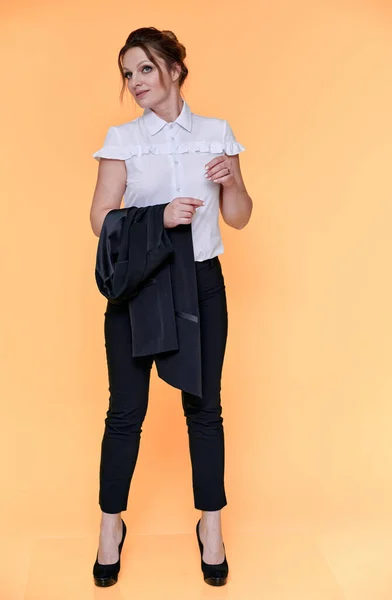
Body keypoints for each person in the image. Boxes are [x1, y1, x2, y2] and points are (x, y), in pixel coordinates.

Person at [89, 26, 253, 587]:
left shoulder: (216, 133)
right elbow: (99, 219)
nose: (135, 82)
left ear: (176, 70)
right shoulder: (122, 139)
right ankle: (111, 528)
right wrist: (157, 218)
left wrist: (233, 181)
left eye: (145, 69)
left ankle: (211, 527)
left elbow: (238, 216)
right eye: (127, 73)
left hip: (202, 284)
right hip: (140, 291)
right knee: (125, 414)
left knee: (204, 410)